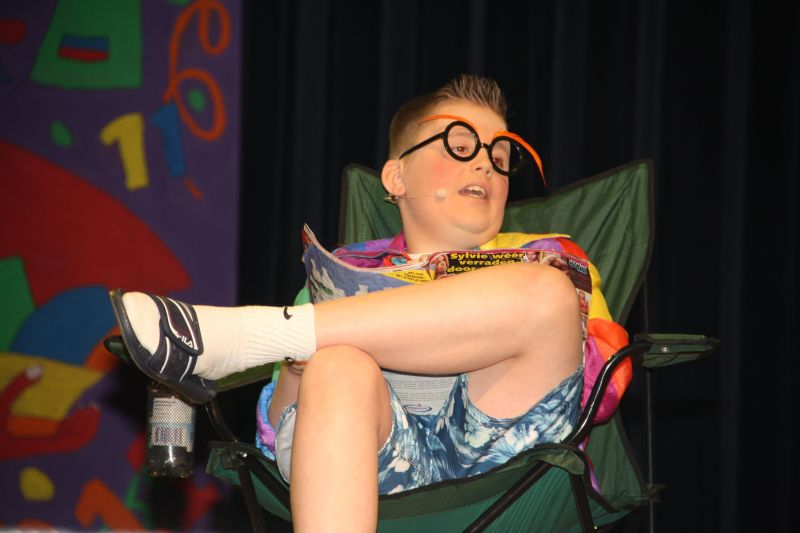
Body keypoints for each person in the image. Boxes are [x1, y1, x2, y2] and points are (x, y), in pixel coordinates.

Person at [109, 74, 628, 532]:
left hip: (503, 458)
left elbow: (603, 387)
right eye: (460, 145)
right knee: (336, 364)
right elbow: (276, 434)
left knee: (547, 292)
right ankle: (256, 340)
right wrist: (301, 366)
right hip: (370, 453)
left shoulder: (549, 255)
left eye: (500, 156)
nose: (486, 166)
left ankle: (235, 337)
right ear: (396, 178)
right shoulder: (341, 274)